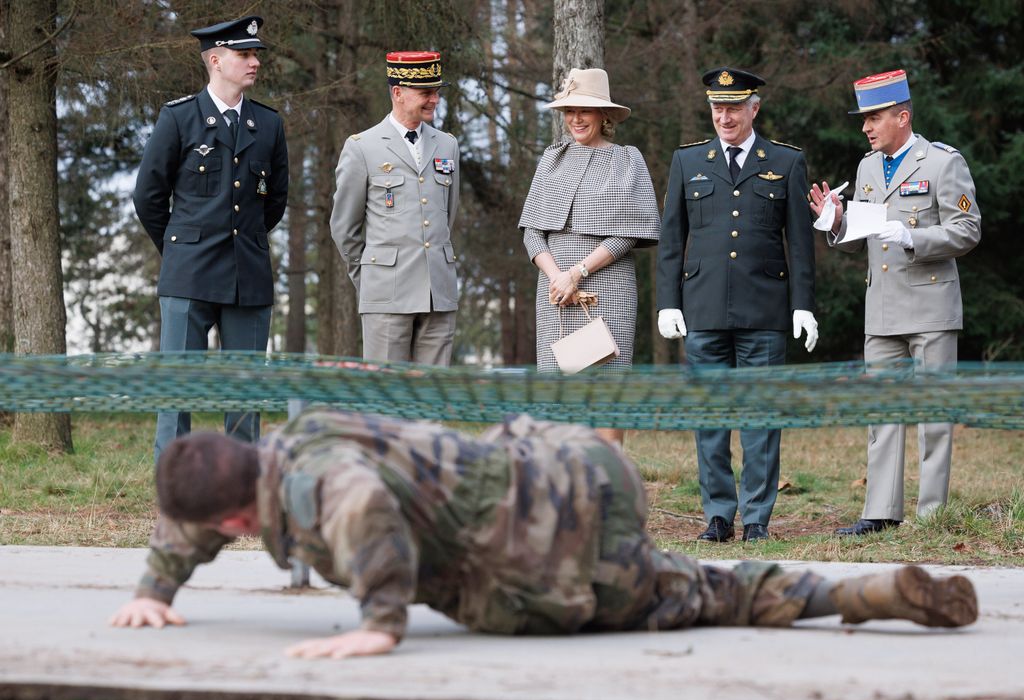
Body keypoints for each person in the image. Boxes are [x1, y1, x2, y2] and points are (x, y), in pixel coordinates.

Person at [110, 407, 978, 659]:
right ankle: (866, 593)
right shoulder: (289, 440)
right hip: (572, 463)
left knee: (710, 593)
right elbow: (191, 505)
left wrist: (378, 625)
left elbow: (362, 509)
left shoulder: (310, 484)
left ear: (235, 519)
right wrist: (155, 587)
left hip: (541, 567)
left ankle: (841, 596)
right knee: (695, 581)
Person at [809, 70, 981, 536]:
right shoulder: (867, 167)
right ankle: (882, 511)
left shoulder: (942, 163)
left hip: (930, 305)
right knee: (880, 414)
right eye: (864, 118)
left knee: (933, 416)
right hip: (882, 308)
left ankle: (931, 515)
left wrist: (915, 236)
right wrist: (835, 222)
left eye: (875, 117)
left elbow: (968, 230)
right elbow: (859, 236)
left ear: (902, 117)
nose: (866, 127)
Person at [656, 68, 818, 543]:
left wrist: (802, 305)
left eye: (733, 107)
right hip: (702, 308)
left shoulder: (785, 162)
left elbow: (801, 243)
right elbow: (672, 239)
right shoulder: (688, 161)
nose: (723, 116)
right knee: (709, 418)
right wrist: (668, 302)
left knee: (761, 419)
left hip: (765, 310)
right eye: (716, 108)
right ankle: (719, 515)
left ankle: (758, 519)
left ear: (754, 108)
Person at [133, 15, 289, 462]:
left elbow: (273, 201)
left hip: (248, 276)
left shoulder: (269, 125)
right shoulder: (179, 118)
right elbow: (148, 195)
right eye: (244, 54)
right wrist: (181, 247)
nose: (254, 61)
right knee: (177, 391)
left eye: (256, 53)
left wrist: (247, 243)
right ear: (216, 60)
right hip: (189, 276)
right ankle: (177, 492)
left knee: (244, 394)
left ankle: (240, 492)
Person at [518, 68, 661, 446]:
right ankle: (564, 484)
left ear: (605, 116)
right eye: (569, 111)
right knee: (557, 383)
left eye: (585, 110)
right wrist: (556, 276)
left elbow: (630, 230)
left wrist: (578, 272)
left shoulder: (626, 160)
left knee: (607, 386)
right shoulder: (551, 159)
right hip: (555, 293)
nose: (576, 119)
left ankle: (608, 483)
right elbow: (532, 230)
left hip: (607, 287)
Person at [330, 51, 460, 365]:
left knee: (432, 396)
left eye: (436, 92)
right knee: (387, 397)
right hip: (385, 294)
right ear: (398, 93)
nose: (434, 100)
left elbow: (448, 213)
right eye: (425, 93)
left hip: (437, 292)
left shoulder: (447, 144)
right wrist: (372, 277)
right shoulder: (362, 147)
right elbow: (344, 227)